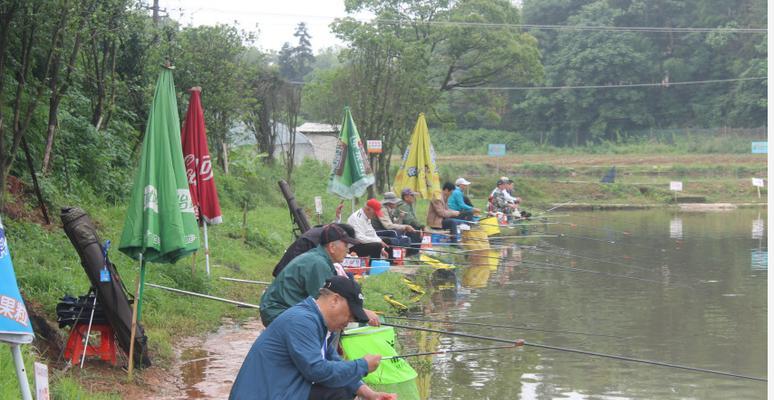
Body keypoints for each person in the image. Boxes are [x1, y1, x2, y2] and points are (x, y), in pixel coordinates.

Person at [230, 276, 396, 400]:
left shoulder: (317, 322)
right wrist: (362, 366)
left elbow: (334, 361)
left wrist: (370, 394)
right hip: (265, 395)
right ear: (335, 300)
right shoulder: (302, 321)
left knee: (343, 387)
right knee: (338, 391)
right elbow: (316, 371)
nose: (349, 322)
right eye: (351, 315)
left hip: (281, 390)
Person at [260, 224, 380, 327]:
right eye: (345, 246)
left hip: (287, 310)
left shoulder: (321, 259)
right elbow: (327, 304)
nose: (348, 251)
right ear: (332, 247)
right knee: (330, 324)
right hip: (279, 313)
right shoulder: (318, 263)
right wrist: (362, 314)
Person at [272, 223, 359, 277]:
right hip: (287, 276)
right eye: (346, 245)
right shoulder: (316, 242)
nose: (348, 249)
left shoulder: (325, 236)